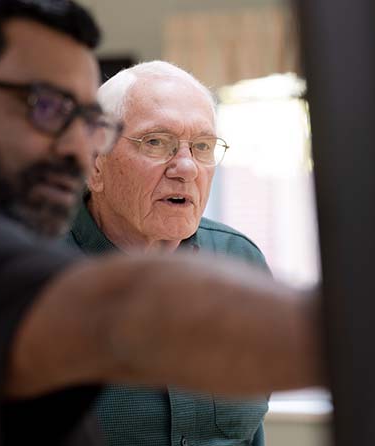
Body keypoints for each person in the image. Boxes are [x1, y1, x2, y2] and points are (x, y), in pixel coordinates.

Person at [0, 1, 323, 445]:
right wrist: (347, 331)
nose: (78, 151)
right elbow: (118, 312)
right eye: (47, 108)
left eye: (85, 123)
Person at [66, 61, 270, 446]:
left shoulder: (240, 262)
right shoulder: (33, 273)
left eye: (203, 147)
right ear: (95, 162)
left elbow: (249, 432)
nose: (187, 168)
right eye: (156, 142)